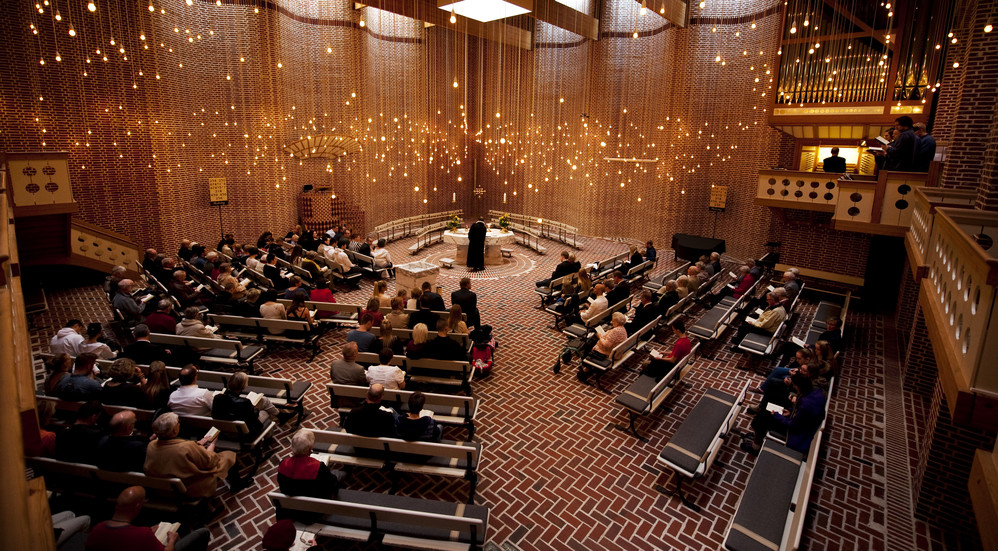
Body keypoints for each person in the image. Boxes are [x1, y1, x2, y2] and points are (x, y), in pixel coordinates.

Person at [144, 412, 242, 496]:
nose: (179, 424)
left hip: (165, 489)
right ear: (174, 430)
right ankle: (237, 485)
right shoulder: (186, 447)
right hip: (191, 487)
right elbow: (209, 461)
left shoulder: (151, 445)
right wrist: (212, 444)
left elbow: (176, 447)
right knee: (228, 455)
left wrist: (200, 442)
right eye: (178, 422)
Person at [86, 486, 210, 551]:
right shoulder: (142, 535)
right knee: (202, 533)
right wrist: (172, 540)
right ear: (138, 506)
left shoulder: (97, 529)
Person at [742, 374, 825, 456]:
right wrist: (790, 410)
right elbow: (801, 412)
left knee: (760, 421)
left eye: (794, 385)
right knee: (764, 413)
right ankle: (758, 438)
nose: (794, 387)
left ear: (799, 386)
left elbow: (793, 424)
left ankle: (755, 447)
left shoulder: (806, 404)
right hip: (803, 424)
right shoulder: (816, 392)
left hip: (797, 434)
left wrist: (777, 415)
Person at [277, 429, 340, 498]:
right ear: (310, 449)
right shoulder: (319, 468)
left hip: (293, 505)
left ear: (292, 447)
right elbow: (332, 486)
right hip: (317, 504)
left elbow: (283, 488)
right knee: (338, 474)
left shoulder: (283, 464)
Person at [212, 371, 279, 434]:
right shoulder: (244, 402)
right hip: (245, 431)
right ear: (243, 386)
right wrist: (255, 409)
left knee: (263, 400)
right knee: (265, 412)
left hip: (225, 429)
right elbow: (253, 417)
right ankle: (268, 437)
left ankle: (279, 415)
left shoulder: (217, 398)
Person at [577, 312, 628, 382]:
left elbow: (607, 345)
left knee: (590, 345)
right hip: (616, 351)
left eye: (613, 321)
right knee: (591, 343)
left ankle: (586, 365)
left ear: (617, 322)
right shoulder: (623, 329)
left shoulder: (616, 331)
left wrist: (600, 337)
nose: (611, 322)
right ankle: (586, 364)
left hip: (610, 353)